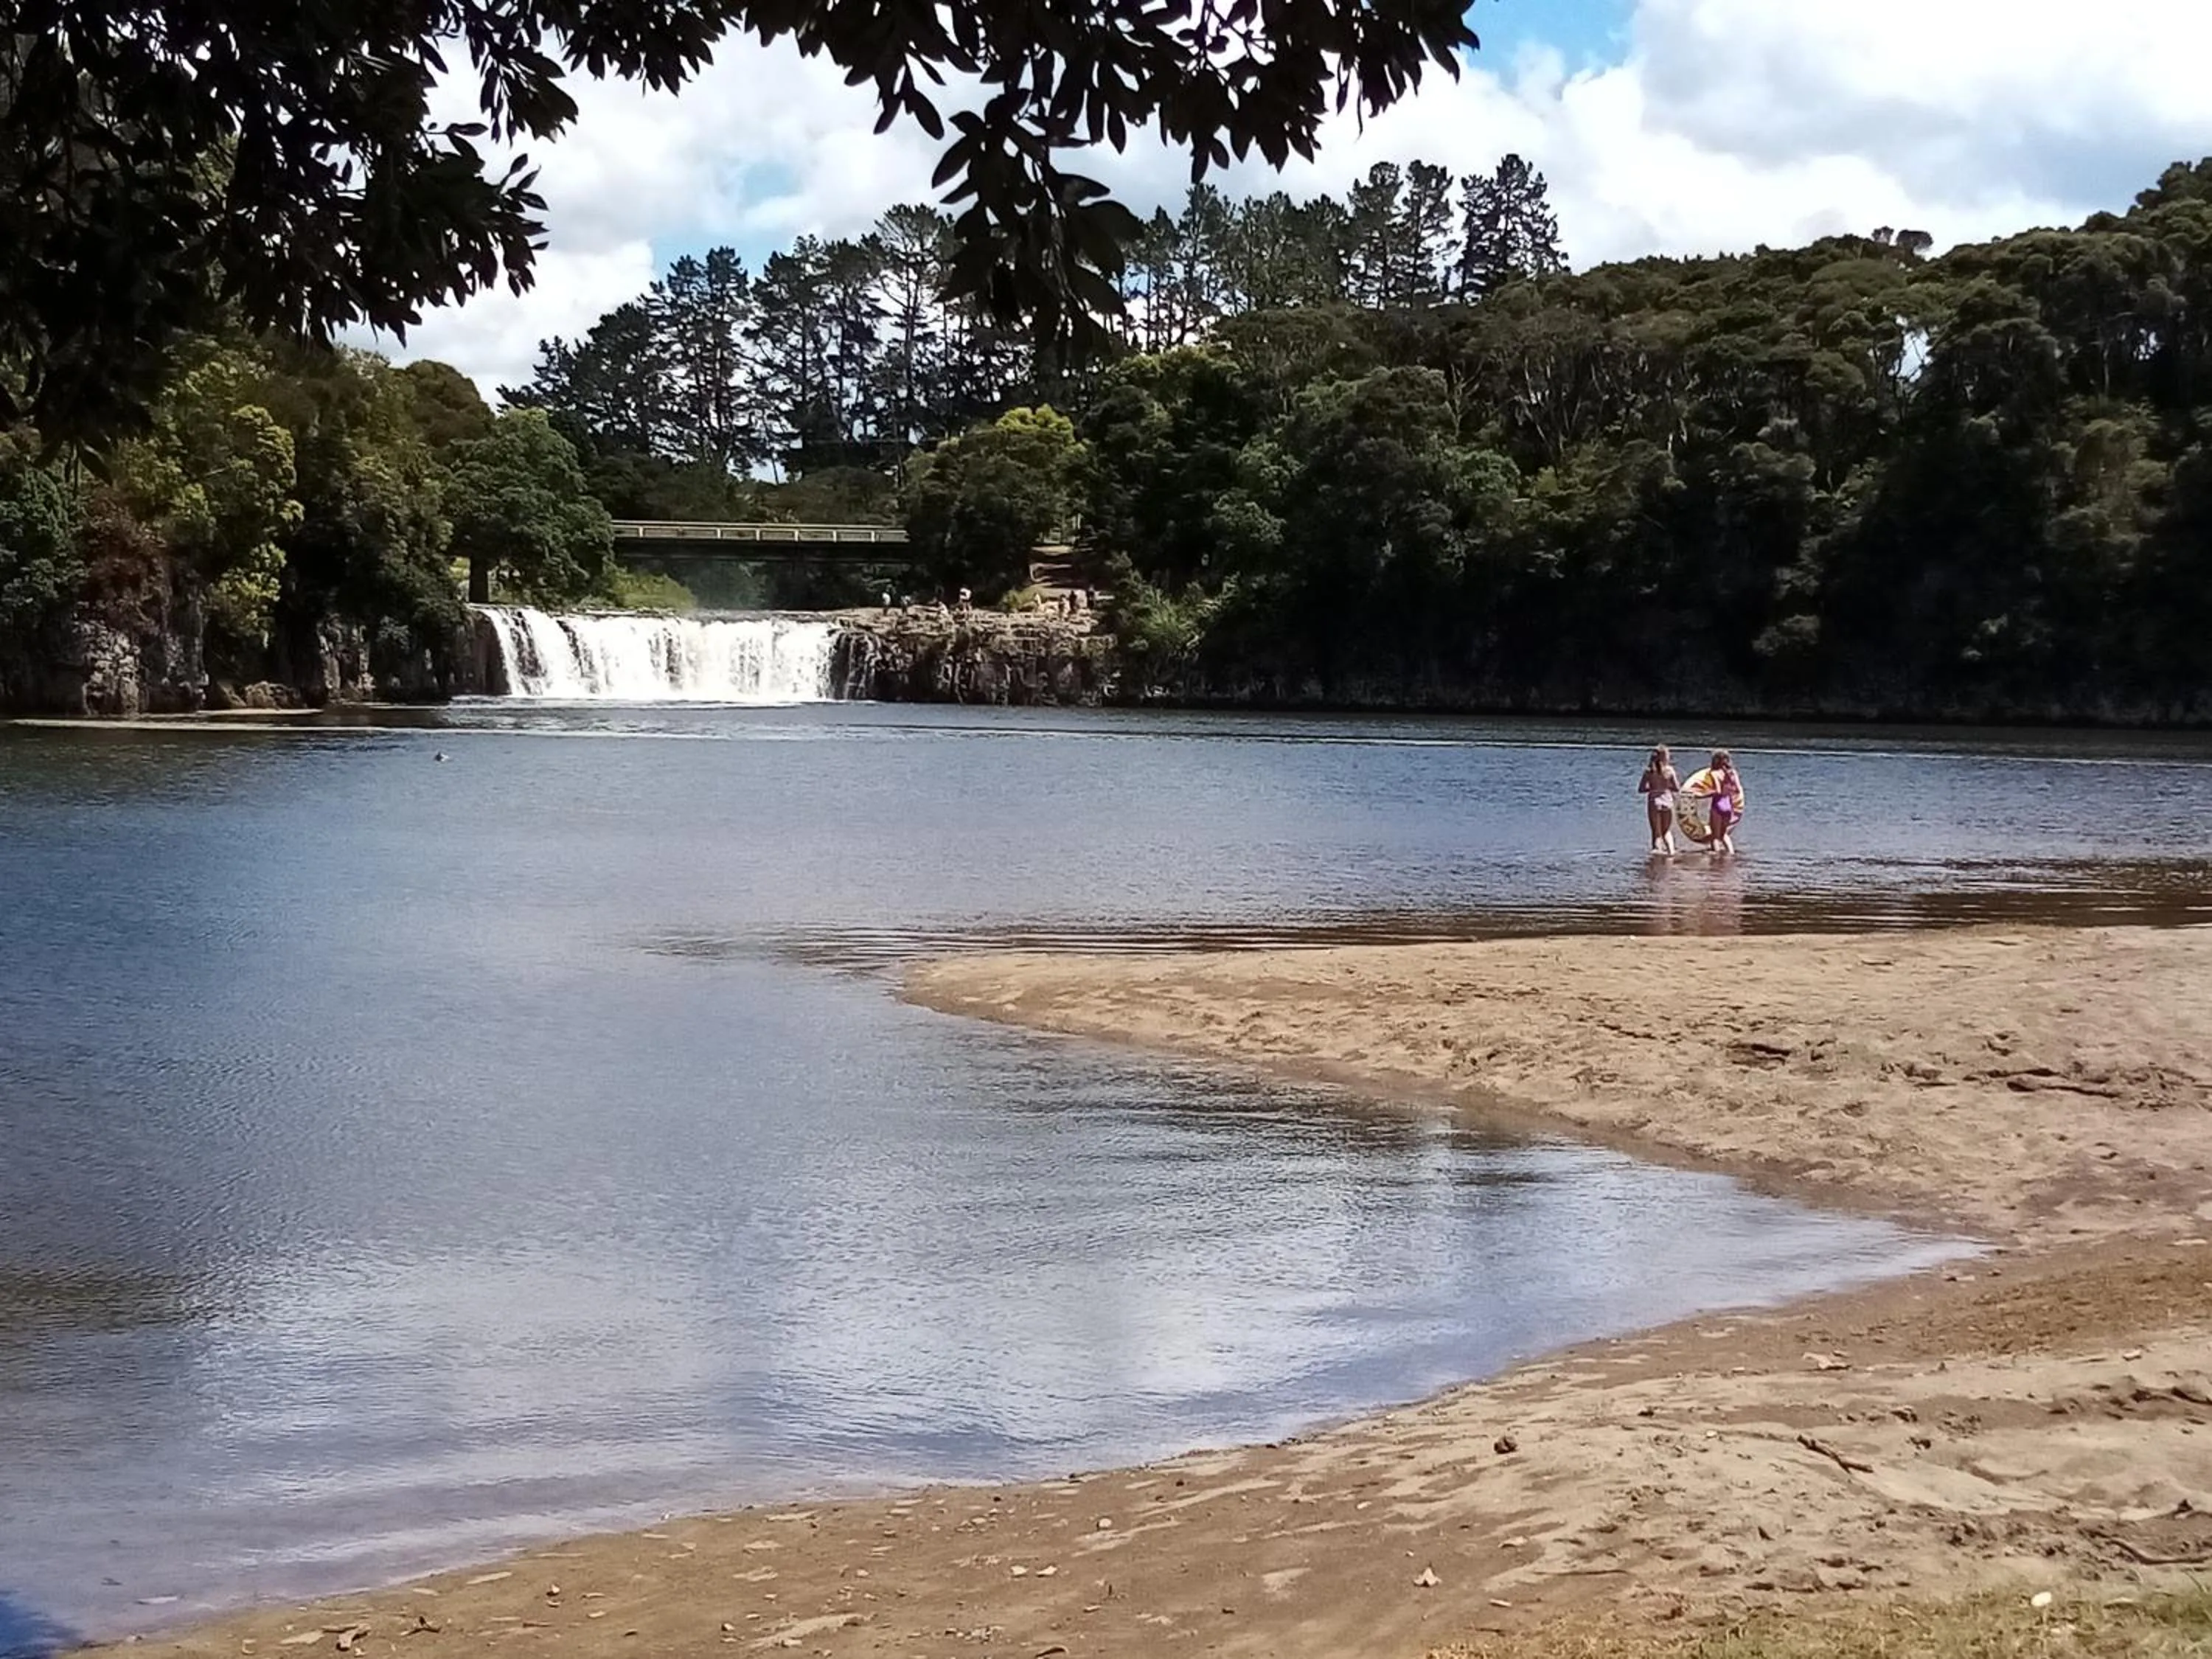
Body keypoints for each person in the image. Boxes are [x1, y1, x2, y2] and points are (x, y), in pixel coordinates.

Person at [1693, 749, 1745, 854]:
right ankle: (1731, 853)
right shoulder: (1733, 773)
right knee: (1723, 834)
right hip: (1728, 806)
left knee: (1715, 836)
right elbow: (1737, 790)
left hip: (1718, 805)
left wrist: (1701, 795)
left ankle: (1716, 857)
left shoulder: (1714, 773)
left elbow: (1718, 791)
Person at [1638, 744, 1681, 855]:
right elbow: (1677, 788)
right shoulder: (1670, 771)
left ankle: (1656, 858)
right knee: (1666, 831)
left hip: (1654, 802)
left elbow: (1641, 789)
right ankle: (1671, 852)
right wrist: (1666, 787)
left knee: (1656, 833)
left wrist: (1653, 788)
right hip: (1667, 801)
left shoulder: (1649, 771)